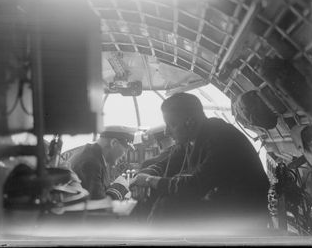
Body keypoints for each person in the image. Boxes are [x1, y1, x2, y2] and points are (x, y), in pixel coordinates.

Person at [130, 93, 270, 230]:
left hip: (244, 214)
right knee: (155, 194)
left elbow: (194, 186)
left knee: (168, 204)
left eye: (171, 125)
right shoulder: (194, 137)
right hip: (222, 205)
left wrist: (149, 180)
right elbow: (167, 163)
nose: (167, 132)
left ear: (190, 122)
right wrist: (147, 174)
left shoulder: (221, 139)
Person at [62, 126, 136, 201]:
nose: (125, 155)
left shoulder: (95, 155)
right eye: (125, 150)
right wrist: (121, 186)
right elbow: (99, 205)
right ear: (113, 143)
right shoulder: (90, 163)